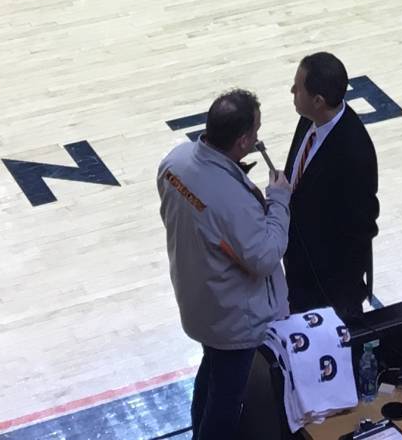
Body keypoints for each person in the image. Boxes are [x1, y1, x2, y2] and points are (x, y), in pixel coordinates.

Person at [159, 89, 289, 440]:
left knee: (211, 376)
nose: (258, 137)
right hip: (233, 316)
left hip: (198, 299)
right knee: (227, 400)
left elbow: (187, 214)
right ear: (244, 139)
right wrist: (279, 201)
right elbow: (263, 256)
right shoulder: (231, 201)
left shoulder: (175, 162)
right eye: (256, 131)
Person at [282, 51, 378, 322]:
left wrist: (342, 294)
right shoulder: (308, 119)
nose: (292, 90)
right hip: (299, 274)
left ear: (318, 100)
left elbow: (362, 227)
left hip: (329, 291)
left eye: (297, 87)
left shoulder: (354, 151)